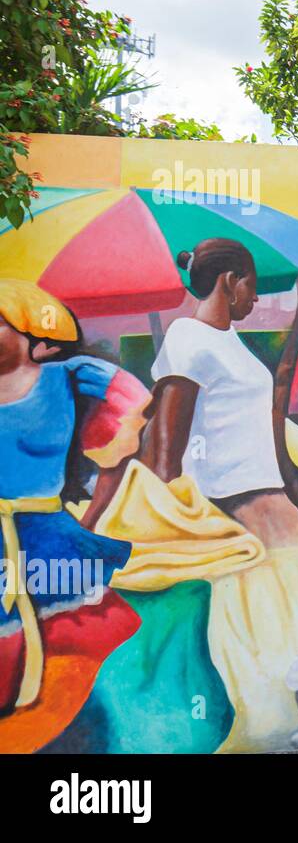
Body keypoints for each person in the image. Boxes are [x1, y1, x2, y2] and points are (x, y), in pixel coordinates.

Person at [140, 240, 298, 751]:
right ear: (230, 281)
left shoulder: (227, 341)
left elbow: (253, 417)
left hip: (270, 505)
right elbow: (166, 443)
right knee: (280, 637)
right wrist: (168, 519)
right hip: (235, 512)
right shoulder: (188, 338)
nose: (253, 297)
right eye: (249, 284)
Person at [0, 280, 146, 720]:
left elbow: (139, 399)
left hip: (46, 530)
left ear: (35, 338)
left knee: (71, 633)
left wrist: (118, 444)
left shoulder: (66, 374)